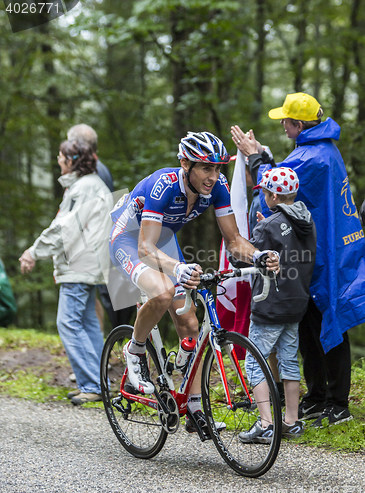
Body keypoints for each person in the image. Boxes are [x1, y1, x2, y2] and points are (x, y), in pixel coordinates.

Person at [109, 131, 280, 433]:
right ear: (185, 164)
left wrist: (259, 256)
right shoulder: (164, 185)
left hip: (162, 241)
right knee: (163, 292)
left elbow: (235, 240)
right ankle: (134, 350)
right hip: (130, 240)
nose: (213, 176)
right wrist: (178, 269)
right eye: (205, 167)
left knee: (191, 325)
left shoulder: (218, 187)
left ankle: (196, 408)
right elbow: (145, 249)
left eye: (217, 168)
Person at [232, 92, 365, 427]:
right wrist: (262, 155)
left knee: (328, 322)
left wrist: (255, 158)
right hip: (316, 250)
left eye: (286, 121)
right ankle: (317, 396)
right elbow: (284, 176)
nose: (282, 125)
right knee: (308, 323)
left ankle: (337, 402)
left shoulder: (313, 156)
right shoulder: (319, 148)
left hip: (322, 253)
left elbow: (274, 186)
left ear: (300, 124)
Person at [19, 140, 113, 405]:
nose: (58, 161)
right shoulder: (89, 185)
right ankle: (99, 383)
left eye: (60, 156)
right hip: (87, 265)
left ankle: (93, 385)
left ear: (72, 160)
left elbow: (64, 229)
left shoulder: (83, 189)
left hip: (80, 267)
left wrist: (33, 252)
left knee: (68, 323)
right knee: (88, 324)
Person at [238, 167, 316, 443]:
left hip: (270, 305)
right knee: (289, 360)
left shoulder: (268, 225)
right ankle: (292, 421)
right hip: (297, 303)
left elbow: (246, 258)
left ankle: (266, 423)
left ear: (271, 195)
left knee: (254, 361)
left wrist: (260, 229)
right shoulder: (308, 221)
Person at [67, 124, 136, 329]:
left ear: (76, 145)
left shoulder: (91, 172)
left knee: (108, 298)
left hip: (101, 243)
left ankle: (109, 346)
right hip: (108, 239)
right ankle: (108, 345)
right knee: (107, 297)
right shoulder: (100, 167)